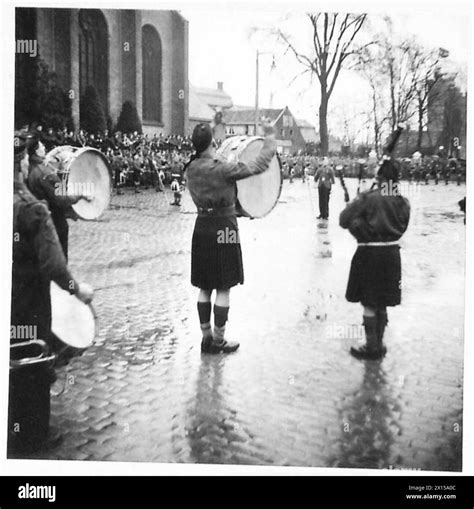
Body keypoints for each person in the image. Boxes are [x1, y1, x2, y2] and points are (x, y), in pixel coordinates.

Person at [11, 132, 94, 450]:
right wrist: (78, 290)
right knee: (33, 356)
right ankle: (33, 436)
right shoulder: (33, 210)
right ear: (20, 162)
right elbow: (55, 268)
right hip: (29, 297)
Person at [185, 121, 276, 354]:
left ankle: (206, 338)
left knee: (205, 286)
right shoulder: (222, 169)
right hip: (224, 228)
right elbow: (259, 165)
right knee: (224, 285)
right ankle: (219, 340)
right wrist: (270, 138)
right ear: (213, 144)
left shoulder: (191, 168)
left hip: (202, 227)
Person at [339, 158, 410, 360]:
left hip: (369, 254)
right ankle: (379, 344)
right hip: (392, 255)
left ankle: (372, 348)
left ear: (379, 177)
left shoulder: (368, 198)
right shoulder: (403, 201)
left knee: (369, 302)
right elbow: (402, 226)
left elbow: (343, 220)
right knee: (382, 302)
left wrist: (356, 221)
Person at [27, 136, 89, 259]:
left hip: (39, 220)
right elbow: (63, 199)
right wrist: (81, 194)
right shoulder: (47, 173)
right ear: (36, 151)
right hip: (55, 221)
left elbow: (49, 156)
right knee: (59, 260)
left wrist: (60, 149)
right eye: (41, 146)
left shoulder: (30, 168)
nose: (44, 147)